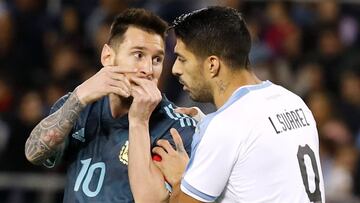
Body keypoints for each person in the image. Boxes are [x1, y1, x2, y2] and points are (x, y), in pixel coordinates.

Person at [130, 6, 326, 203]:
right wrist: (205, 123)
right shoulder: (292, 101)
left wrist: (181, 178)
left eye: (182, 59)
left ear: (212, 65)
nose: (175, 69)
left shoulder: (225, 126)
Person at [24, 8, 195, 203]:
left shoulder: (175, 128)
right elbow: (33, 153)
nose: (148, 70)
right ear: (108, 57)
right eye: (138, 55)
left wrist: (139, 121)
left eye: (157, 59)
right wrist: (79, 96)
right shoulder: (80, 107)